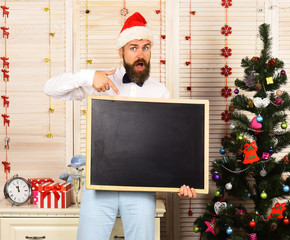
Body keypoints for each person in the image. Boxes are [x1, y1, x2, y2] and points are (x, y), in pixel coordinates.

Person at [44, 12, 196, 240]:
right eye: (133, 47)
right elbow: (50, 88)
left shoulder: (160, 92)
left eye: (145, 47)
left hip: (140, 187)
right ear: (121, 52)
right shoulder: (100, 81)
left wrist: (183, 178)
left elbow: (168, 145)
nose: (140, 54)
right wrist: (87, 75)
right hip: (99, 184)